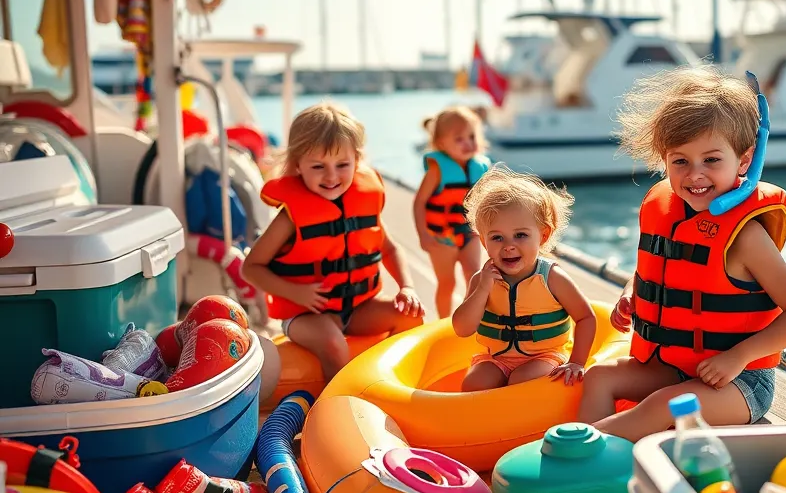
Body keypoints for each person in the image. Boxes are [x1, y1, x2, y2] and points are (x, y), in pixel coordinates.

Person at [576, 66, 786, 437]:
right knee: (599, 377)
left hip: (742, 383)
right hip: (676, 366)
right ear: (664, 159)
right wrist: (631, 293)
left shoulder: (747, 236)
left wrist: (737, 358)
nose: (695, 175)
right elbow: (659, 274)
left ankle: (584, 453)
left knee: (663, 405)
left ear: (743, 160)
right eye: (680, 161)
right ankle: (594, 462)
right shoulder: (664, 210)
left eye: (711, 160)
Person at [241, 103, 423, 380]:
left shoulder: (363, 201)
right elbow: (251, 268)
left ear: (357, 160)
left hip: (359, 306)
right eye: (318, 166)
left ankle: (388, 382)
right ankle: (337, 402)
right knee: (333, 342)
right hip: (306, 314)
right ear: (298, 165)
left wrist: (407, 287)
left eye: (342, 165)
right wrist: (295, 293)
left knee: (411, 317)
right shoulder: (289, 217)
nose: (331, 176)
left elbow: (389, 247)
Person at [452, 166, 596, 391]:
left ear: (543, 235)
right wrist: (481, 290)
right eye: (497, 237)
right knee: (473, 385)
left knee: (521, 383)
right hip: (496, 358)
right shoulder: (482, 280)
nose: (509, 246)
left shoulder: (552, 278)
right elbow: (462, 329)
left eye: (520, 235)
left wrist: (576, 362)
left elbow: (586, 318)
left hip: (545, 356)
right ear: (483, 242)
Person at [413, 106, 491, 317]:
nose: (468, 143)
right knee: (447, 283)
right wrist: (423, 235)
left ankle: (470, 319)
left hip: (470, 233)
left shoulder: (481, 167)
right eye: (459, 139)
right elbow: (419, 202)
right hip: (442, 237)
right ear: (441, 144)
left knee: (474, 278)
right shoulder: (437, 170)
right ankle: (444, 322)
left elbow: (487, 203)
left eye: (472, 136)